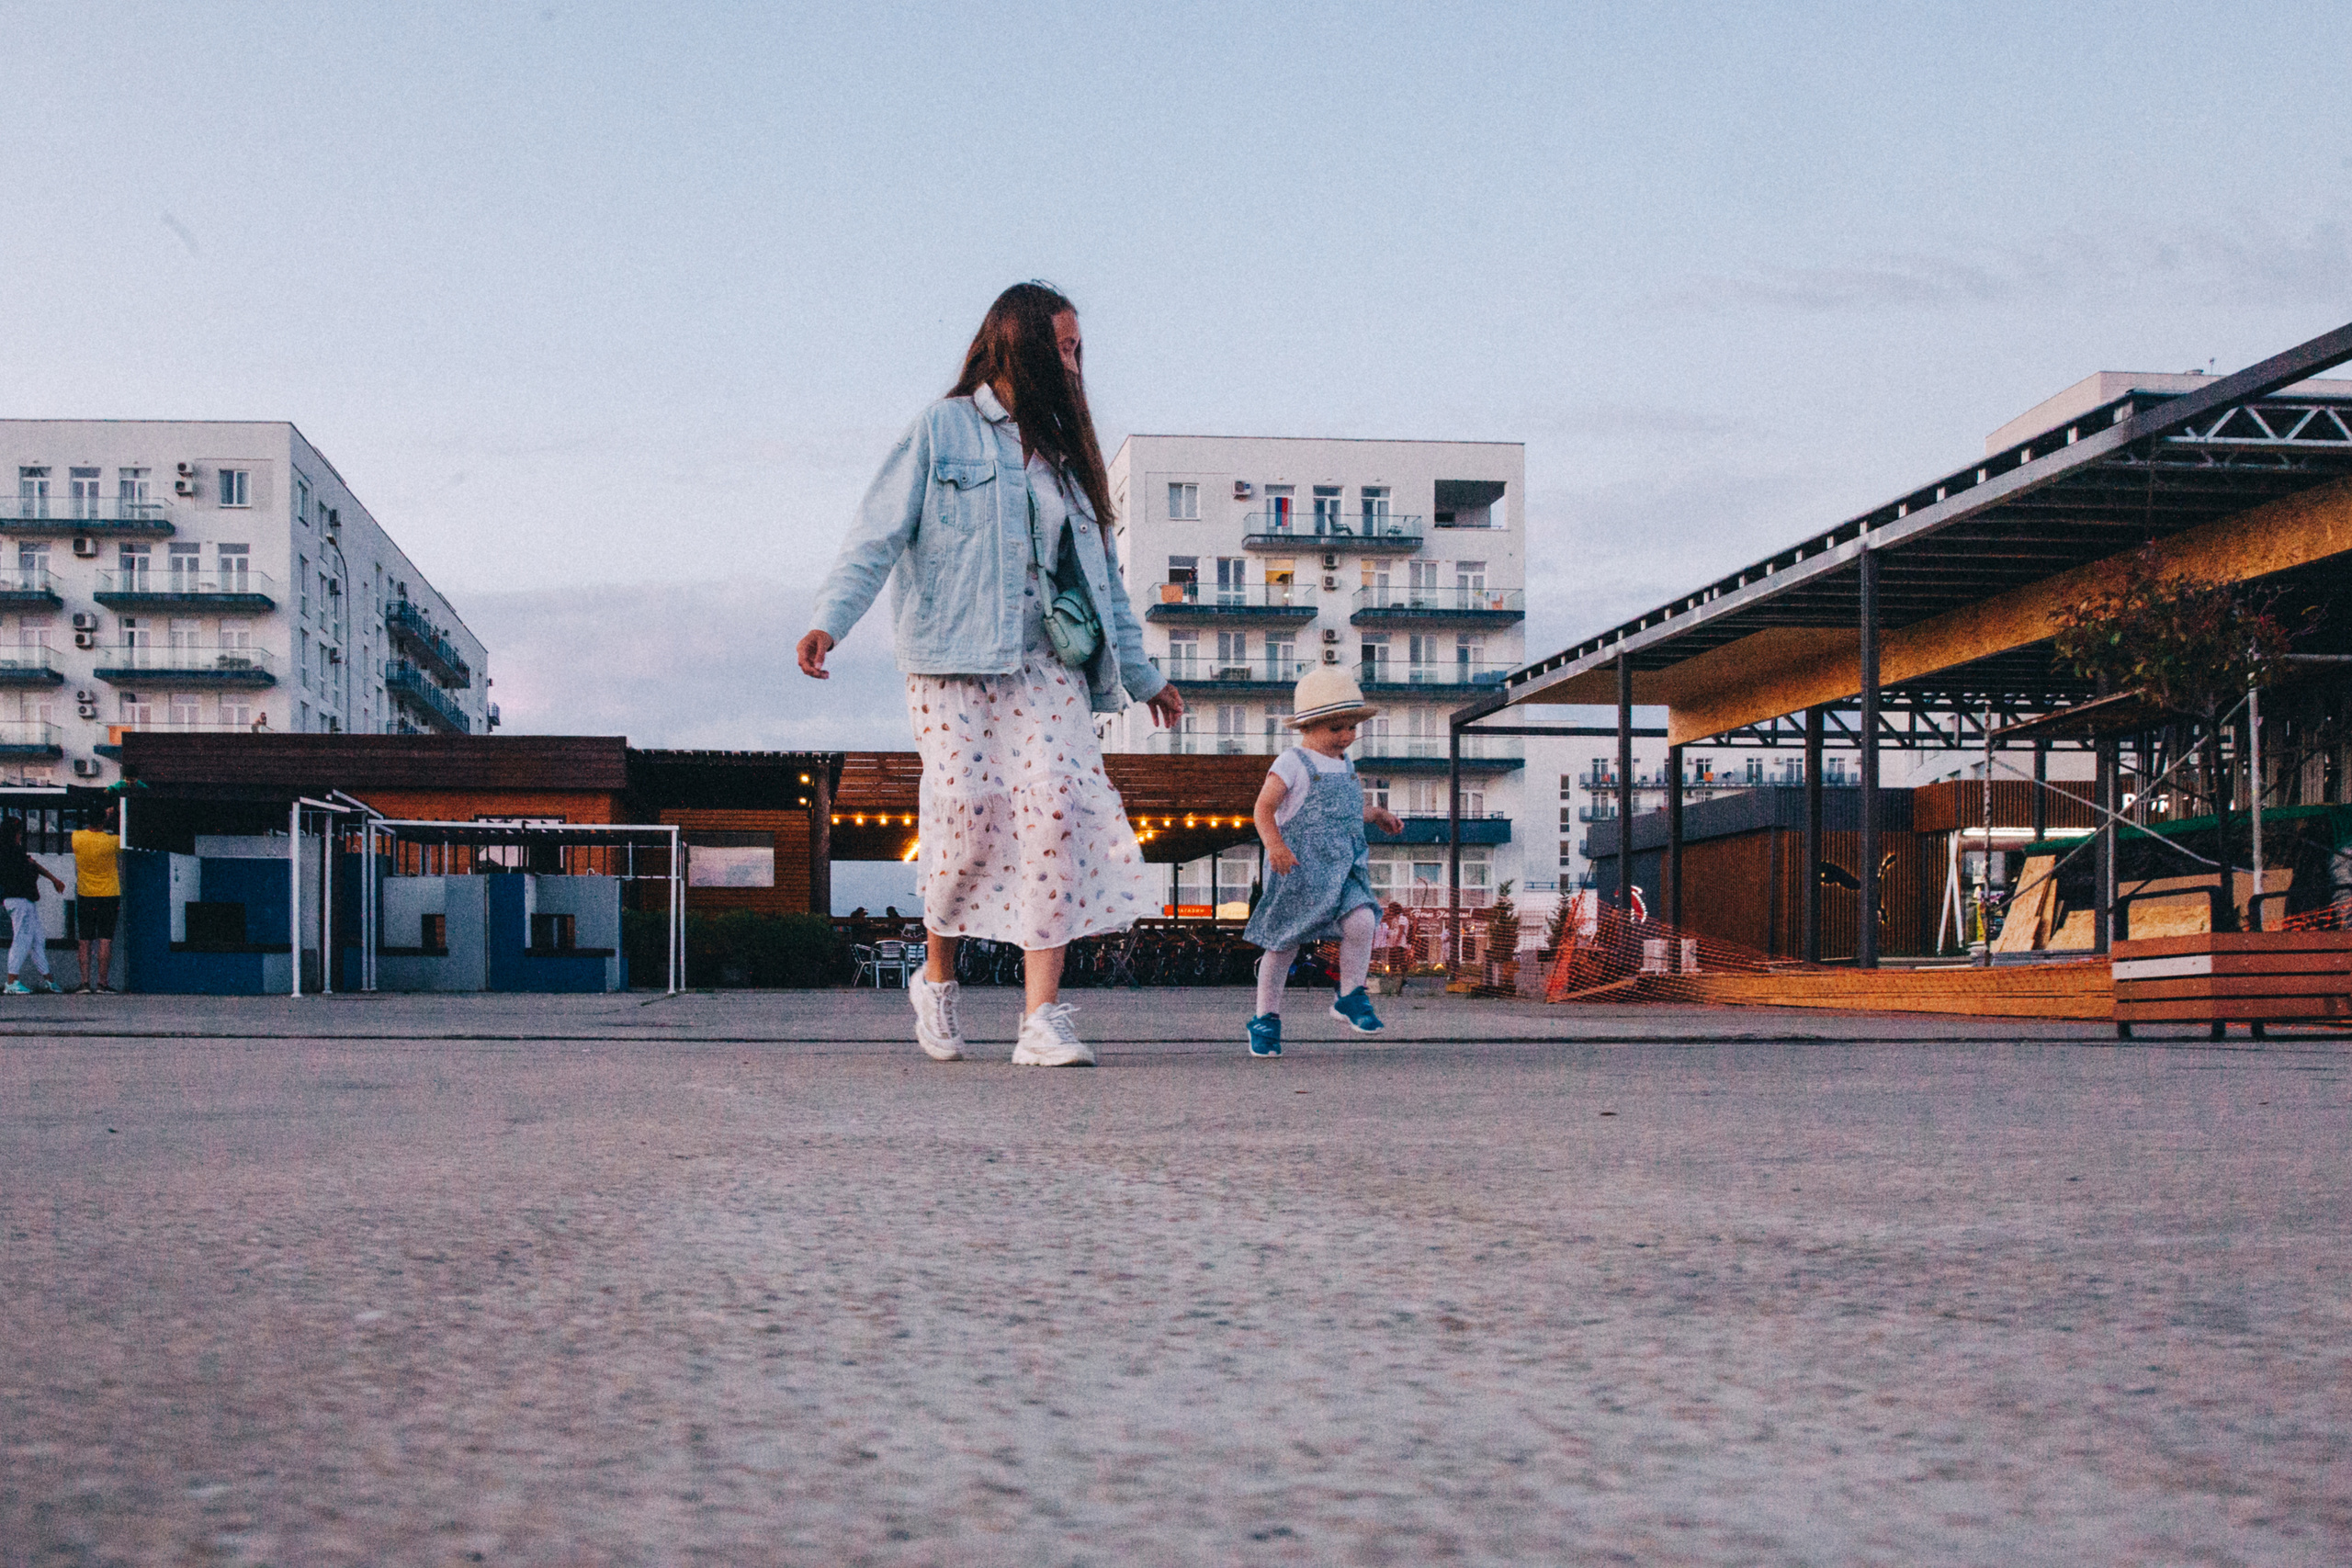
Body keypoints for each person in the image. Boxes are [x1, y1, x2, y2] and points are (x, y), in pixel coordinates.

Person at [797, 282, 1182, 1066]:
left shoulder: (1072, 463)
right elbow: (876, 534)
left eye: (1079, 349)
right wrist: (829, 619)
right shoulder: (943, 431)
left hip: (1047, 664)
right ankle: (935, 978)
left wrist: (1143, 678)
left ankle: (1041, 1017)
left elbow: (1104, 582)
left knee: (1058, 810)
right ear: (1021, 347)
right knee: (967, 820)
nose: (1076, 365)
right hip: (951, 660)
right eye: (1064, 348)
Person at [1241, 669, 1405, 1058]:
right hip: (1297, 869)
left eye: (1351, 726)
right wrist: (1275, 845)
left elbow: (1345, 814)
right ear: (1309, 726)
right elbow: (1263, 809)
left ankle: (1350, 994)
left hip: (1343, 866)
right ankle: (1265, 1018)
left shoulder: (1346, 765)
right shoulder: (1292, 762)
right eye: (1336, 728)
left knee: (1364, 920)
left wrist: (1375, 814)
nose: (1346, 735)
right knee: (1282, 947)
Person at [1, 818, 65, 994]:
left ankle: (48, 980)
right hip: (20, 899)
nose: (20, 835)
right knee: (22, 938)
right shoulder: (12, 852)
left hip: (18, 900)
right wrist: (53, 879)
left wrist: (53, 879)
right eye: (19, 832)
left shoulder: (8, 851)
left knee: (37, 939)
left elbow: (32, 865)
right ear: (14, 834)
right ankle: (12, 981)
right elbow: (33, 867)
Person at [72, 806, 122, 994]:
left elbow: (91, 826)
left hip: (85, 893)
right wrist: (111, 815)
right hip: (109, 894)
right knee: (105, 939)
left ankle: (84, 983)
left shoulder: (77, 837)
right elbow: (122, 839)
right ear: (103, 821)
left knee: (84, 939)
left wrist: (102, 815)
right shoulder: (112, 842)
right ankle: (102, 983)